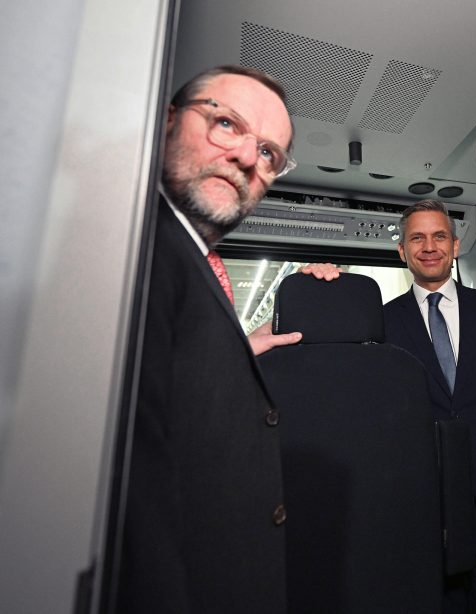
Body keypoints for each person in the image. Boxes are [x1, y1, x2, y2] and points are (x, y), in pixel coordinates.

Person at [117, 65, 334, 613]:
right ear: (167, 120)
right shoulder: (135, 249)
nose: (245, 157)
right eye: (225, 124)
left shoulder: (186, 258)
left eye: (268, 153)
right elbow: (131, 496)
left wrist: (236, 349)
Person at [383, 199, 476, 613]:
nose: (429, 246)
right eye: (417, 237)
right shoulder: (380, 323)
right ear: (402, 251)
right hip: (426, 507)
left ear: (454, 246)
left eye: (439, 236)